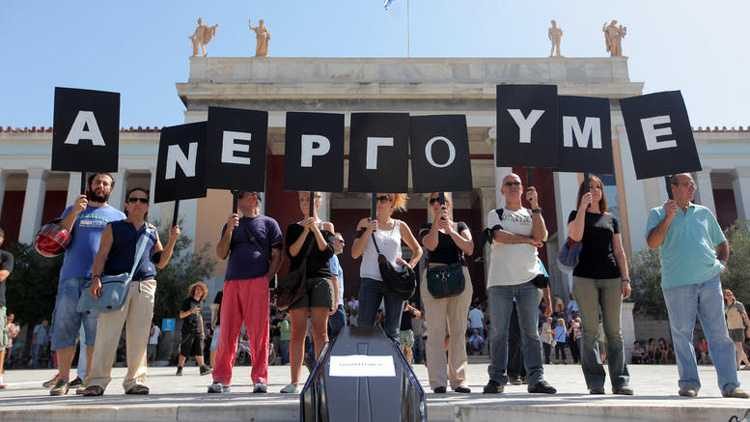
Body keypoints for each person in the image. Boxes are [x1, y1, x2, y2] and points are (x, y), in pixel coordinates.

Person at [646, 172, 749, 398]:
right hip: (677, 283)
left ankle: (731, 385)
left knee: (719, 334)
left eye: (693, 185)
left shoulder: (703, 212)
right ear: (673, 187)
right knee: (682, 334)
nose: (692, 188)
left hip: (709, 280)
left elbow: (721, 241)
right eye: (687, 185)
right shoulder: (658, 213)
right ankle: (689, 383)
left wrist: (722, 263)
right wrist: (669, 217)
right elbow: (652, 243)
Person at [80, 188, 179, 396]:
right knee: (107, 334)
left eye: (142, 200)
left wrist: (172, 240)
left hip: (145, 286)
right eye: (133, 199)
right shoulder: (114, 227)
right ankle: (96, 381)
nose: (138, 203)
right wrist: (96, 278)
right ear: (126, 204)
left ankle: (135, 381)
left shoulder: (152, 230)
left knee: (140, 336)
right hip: (116, 285)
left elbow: (161, 262)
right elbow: (101, 255)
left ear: (148, 206)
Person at [48, 173, 125, 396]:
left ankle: (89, 379)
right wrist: (74, 211)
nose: (101, 186)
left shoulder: (118, 216)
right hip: (71, 277)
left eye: (105, 183)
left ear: (111, 189)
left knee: (94, 332)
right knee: (64, 327)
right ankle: (63, 379)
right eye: (97, 182)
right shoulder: (73, 210)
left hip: (99, 280)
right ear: (90, 186)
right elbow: (60, 234)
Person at [483, 173, 556, 395]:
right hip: (500, 281)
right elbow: (499, 236)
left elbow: (541, 237)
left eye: (517, 183)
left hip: (528, 280)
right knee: (499, 332)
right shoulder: (495, 214)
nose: (513, 186)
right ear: (502, 190)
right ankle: (497, 378)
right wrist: (526, 239)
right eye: (509, 184)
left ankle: (536, 378)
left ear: (522, 189)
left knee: (531, 332)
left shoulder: (532, 214)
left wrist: (536, 207)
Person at [209, 191, 283, 394]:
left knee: (259, 334)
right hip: (232, 283)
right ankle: (221, 379)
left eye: (240, 196)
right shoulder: (231, 224)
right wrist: (229, 230)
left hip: (257, 283)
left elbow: (278, 255)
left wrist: (266, 279)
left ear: (253, 198)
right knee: (227, 332)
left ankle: (260, 379)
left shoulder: (269, 223)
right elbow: (221, 254)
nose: (236, 200)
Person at [567, 175, 632, 395]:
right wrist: (583, 208)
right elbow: (575, 235)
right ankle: (595, 381)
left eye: (598, 187)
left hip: (611, 277)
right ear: (583, 193)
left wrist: (625, 278)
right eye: (590, 187)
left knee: (614, 331)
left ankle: (621, 381)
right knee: (590, 331)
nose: (595, 190)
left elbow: (619, 251)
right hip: (585, 278)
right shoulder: (576, 215)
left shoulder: (611, 219)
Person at [419, 192, 474, 393]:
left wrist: (450, 230)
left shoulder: (460, 226)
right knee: (435, 331)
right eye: (432, 201)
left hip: (459, 277)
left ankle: (459, 380)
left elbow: (469, 248)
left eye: (440, 200)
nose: (436, 203)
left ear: (448, 204)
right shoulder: (426, 227)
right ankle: (438, 381)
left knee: (458, 330)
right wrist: (437, 222)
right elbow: (431, 244)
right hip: (434, 278)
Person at [281, 191, 336, 394]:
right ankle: (294, 382)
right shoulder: (293, 227)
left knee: (320, 332)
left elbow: (327, 252)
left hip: (321, 279)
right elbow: (292, 253)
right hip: (299, 282)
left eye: (309, 200)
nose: (305, 203)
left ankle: (323, 378)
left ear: (319, 201)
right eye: (302, 200)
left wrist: (316, 230)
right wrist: (305, 231)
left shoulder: (327, 226)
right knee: (298, 331)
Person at [351, 193, 422, 344]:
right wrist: (368, 231)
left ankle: (393, 359)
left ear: (392, 201)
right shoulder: (364, 223)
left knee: (393, 330)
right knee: (364, 327)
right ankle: (364, 358)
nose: (378, 202)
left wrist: (409, 266)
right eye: (375, 198)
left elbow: (418, 250)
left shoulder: (400, 225)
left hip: (394, 281)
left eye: (383, 199)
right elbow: (355, 253)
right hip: (370, 280)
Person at [176, 281, 213, 376]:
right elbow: (181, 315)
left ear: (203, 292)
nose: (199, 291)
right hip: (188, 329)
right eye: (197, 289)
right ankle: (180, 368)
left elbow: (200, 316)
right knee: (185, 349)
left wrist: (202, 331)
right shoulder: (188, 301)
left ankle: (202, 368)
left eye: (201, 290)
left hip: (198, 330)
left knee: (199, 349)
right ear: (193, 291)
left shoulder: (201, 303)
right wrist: (191, 311)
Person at [0, 228, 14, 389]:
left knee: (0, 342)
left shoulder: (6, 256)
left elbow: (2, 275)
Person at [724, 289, 750, 369]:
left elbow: (745, 316)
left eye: (730, 294)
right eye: (727, 294)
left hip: (739, 328)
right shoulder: (725, 306)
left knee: (739, 346)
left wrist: (749, 327)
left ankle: (737, 365)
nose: (729, 296)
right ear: (725, 297)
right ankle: (748, 364)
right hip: (730, 329)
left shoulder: (738, 305)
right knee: (737, 347)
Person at [328, 233, 346, 340]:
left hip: (333, 302)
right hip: (336, 304)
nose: (343, 244)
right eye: (341, 241)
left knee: (333, 336)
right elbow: (333, 277)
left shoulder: (332, 257)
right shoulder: (332, 256)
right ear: (333, 241)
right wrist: (336, 302)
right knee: (340, 336)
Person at [209, 290, 222, 367]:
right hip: (220, 322)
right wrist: (213, 321)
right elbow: (216, 309)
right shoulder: (220, 293)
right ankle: (212, 366)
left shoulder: (236, 292)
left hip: (231, 324)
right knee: (214, 344)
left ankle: (225, 365)